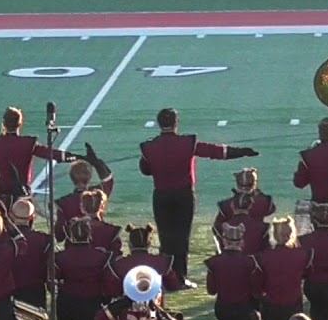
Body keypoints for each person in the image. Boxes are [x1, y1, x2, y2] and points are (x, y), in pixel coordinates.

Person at [139, 107, 259, 288]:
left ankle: (165, 277)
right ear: (176, 123)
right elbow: (216, 151)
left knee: (165, 237)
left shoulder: (149, 146)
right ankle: (180, 277)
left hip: (161, 195)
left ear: (159, 124)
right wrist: (242, 151)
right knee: (182, 237)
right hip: (184, 195)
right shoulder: (187, 143)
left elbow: (145, 169)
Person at [0, 106, 80, 208]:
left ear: (4, 123)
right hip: (22, 193)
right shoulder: (28, 143)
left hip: (2, 194)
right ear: (20, 124)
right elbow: (50, 154)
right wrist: (74, 157)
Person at [52, 217, 111, 320]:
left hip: (67, 299)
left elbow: (52, 279)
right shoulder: (100, 256)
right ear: (89, 234)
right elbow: (107, 281)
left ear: (71, 235)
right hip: (90, 300)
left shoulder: (60, 256)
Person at [252, 218, 312, 320]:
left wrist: (260, 295)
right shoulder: (302, 254)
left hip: (271, 303)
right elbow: (307, 274)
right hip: (293, 301)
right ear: (291, 234)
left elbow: (257, 282)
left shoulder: (263, 257)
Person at [206, 221, 258, 320]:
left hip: (222, 307)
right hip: (243, 307)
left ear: (224, 241)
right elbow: (255, 290)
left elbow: (211, 290)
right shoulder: (250, 263)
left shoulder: (214, 263)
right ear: (241, 241)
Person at [8, 198, 53, 320]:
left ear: (11, 217)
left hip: (9, 290)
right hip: (34, 292)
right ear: (32, 218)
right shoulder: (43, 239)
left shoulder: (4, 239)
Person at [52, 148, 115, 243]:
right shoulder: (99, 193)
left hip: (73, 247)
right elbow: (108, 180)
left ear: (71, 177)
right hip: (99, 243)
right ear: (90, 177)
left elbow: (59, 236)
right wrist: (97, 163)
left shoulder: (63, 202)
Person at [103, 224, 182, 299]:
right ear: (149, 243)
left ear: (130, 244)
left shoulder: (119, 264)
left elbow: (112, 290)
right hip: (154, 304)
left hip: (127, 306)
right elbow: (174, 285)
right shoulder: (161, 262)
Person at [212, 190, 270, 256]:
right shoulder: (262, 228)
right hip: (252, 264)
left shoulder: (219, 228)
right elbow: (266, 252)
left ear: (232, 205)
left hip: (228, 264)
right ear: (250, 206)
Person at [78, 189, 123, 255]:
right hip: (104, 264)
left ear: (82, 208)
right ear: (101, 206)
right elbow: (116, 255)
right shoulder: (112, 231)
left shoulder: (76, 230)